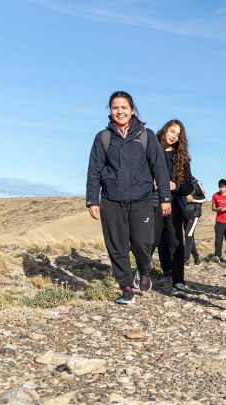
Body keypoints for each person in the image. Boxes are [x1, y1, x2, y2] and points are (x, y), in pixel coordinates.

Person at [86, 91, 170, 305]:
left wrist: (165, 197)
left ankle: (144, 269)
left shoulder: (146, 136)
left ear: (132, 110)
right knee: (117, 246)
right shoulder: (103, 138)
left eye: (124, 107)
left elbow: (159, 168)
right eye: (115, 107)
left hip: (142, 198)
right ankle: (126, 287)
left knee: (142, 243)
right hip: (111, 199)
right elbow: (94, 170)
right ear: (110, 111)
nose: (120, 111)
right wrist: (92, 200)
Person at [154, 119, 197, 298]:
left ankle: (178, 282)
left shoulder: (182, 158)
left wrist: (175, 186)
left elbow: (189, 187)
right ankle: (142, 274)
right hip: (152, 202)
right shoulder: (151, 150)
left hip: (174, 205)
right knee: (149, 240)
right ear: (165, 130)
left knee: (176, 243)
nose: (174, 136)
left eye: (178, 135)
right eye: (172, 131)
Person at [211, 179, 226, 264]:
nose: (221, 189)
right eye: (220, 187)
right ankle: (217, 256)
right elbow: (212, 207)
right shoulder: (215, 195)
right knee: (218, 239)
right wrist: (216, 209)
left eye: (223, 187)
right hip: (219, 221)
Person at [183, 177, 206, 266]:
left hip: (194, 214)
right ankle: (197, 259)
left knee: (188, 235)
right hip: (184, 214)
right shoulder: (180, 183)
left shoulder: (196, 183)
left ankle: (185, 260)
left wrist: (193, 199)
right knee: (190, 237)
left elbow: (204, 198)